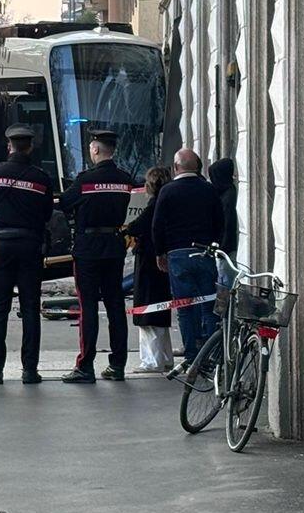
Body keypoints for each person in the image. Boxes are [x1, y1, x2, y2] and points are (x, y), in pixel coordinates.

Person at [57, 129, 133, 383]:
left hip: (88, 248)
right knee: (115, 307)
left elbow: (65, 204)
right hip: (114, 246)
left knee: (87, 307)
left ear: (96, 150)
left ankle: (85, 365)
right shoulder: (125, 179)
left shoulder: (85, 180)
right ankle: (118, 364)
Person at [0, 123, 55, 385]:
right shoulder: (41, 177)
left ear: (9, 146)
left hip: (1, 245)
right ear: (31, 146)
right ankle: (29, 370)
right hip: (30, 245)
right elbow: (48, 213)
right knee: (30, 309)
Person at [151, 148, 225, 364]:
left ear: (175, 168)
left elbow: (157, 226)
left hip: (177, 255)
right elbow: (220, 222)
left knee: (184, 307)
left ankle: (192, 356)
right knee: (208, 304)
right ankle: (211, 355)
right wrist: (214, 245)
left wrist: (160, 252)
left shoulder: (167, 191)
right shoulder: (209, 190)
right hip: (204, 253)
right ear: (199, 167)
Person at [124, 166, 174, 372]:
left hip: (148, 262)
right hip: (161, 262)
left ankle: (152, 361)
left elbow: (137, 226)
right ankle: (165, 357)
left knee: (147, 310)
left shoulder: (153, 205)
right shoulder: (167, 204)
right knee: (160, 311)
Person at [209, 157, 238, 287]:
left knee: (225, 282)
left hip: (226, 248)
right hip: (224, 247)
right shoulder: (225, 193)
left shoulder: (227, 197)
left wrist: (222, 247)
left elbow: (228, 223)